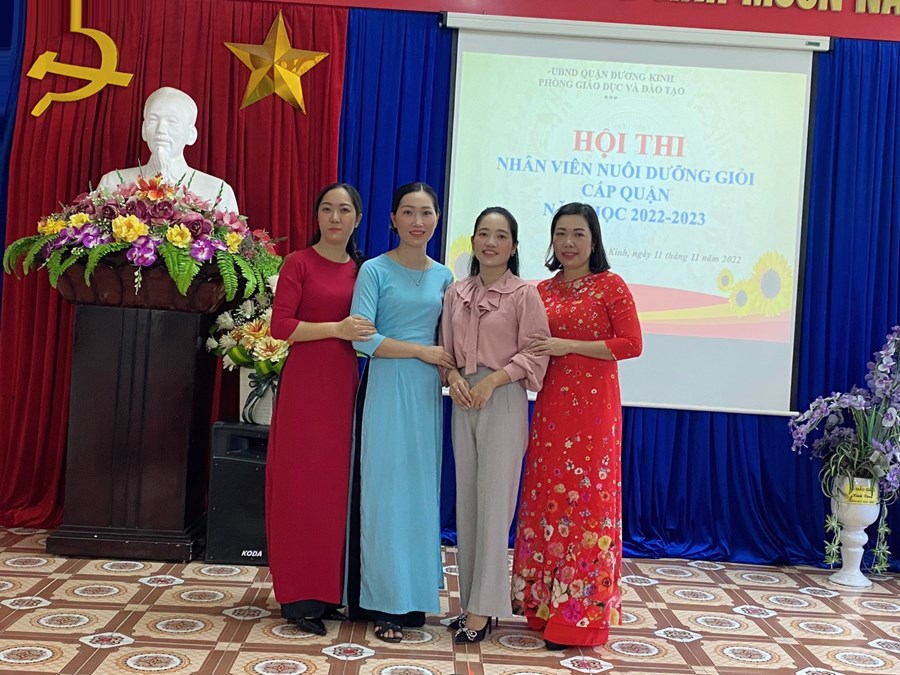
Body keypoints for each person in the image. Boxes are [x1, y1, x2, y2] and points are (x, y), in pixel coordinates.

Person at [510, 202, 643, 649]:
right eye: (561, 233)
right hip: (551, 411)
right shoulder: (541, 290)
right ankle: (543, 606)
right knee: (547, 500)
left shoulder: (610, 285)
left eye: (578, 234)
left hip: (594, 416)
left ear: (593, 239)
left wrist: (565, 344)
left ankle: (579, 618)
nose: (568, 243)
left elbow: (631, 344)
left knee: (587, 505)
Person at [347, 182, 455, 643]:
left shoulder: (445, 276)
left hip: (426, 392)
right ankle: (384, 602)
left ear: (436, 220)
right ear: (392, 219)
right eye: (408, 212)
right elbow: (362, 339)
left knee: (419, 492)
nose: (417, 221)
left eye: (426, 212)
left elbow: (451, 341)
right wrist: (420, 351)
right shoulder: (374, 270)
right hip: (387, 386)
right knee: (385, 492)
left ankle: (413, 598)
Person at [266, 183, 375, 636]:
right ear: (317, 216)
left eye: (344, 210)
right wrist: (337, 328)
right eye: (327, 209)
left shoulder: (364, 271)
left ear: (357, 219)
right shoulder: (298, 263)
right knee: (300, 486)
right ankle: (298, 597)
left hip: (344, 386)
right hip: (305, 387)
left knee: (335, 492)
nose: (335, 217)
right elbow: (281, 326)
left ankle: (329, 593)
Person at [440, 207, 550, 644]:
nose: (491, 242)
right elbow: (444, 350)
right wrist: (452, 377)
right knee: (468, 502)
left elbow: (535, 354)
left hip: (502, 397)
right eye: (483, 234)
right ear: (472, 241)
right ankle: (471, 602)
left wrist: (493, 381)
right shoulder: (456, 292)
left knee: (494, 506)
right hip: (462, 398)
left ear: (514, 246)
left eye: (501, 236)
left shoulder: (525, 294)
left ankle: (483, 610)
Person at [98, 87, 239, 212]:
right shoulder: (112, 183)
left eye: (172, 122)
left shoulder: (216, 191)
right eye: (153, 120)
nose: (161, 129)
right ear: (143, 130)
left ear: (191, 135)